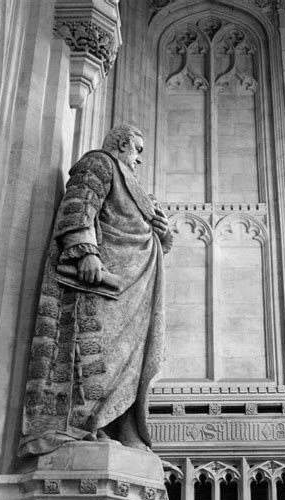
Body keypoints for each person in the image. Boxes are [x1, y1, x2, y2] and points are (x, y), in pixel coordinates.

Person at [19, 125, 171, 456]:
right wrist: (85, 250)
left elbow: (149, 234)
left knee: (134, 360)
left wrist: (162, 233)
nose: (139, 159)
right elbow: (79, 206)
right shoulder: (100, 164)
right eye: (138, 150)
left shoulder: (136, 186)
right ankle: (90, 426)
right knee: (98, 353)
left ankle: (124, 428)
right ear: (123, 143)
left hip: (139, 289)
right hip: (106, 282)